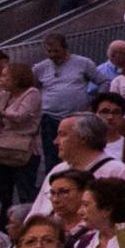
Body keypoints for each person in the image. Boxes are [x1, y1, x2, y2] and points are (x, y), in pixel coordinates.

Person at [33, 32, 101, 166]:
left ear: (65, 48)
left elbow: (103, 81)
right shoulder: (40, 67)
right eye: (49, 51)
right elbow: (32, 88)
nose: (53, 55)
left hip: (76, 117)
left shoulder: (83, 63)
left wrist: (95, 102)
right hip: (49, 118)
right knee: (52, 156)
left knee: (77, 152)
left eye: (56, 51)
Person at [0, 62, 44, 208]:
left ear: (18, 78)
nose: (1, 79)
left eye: (5, 76)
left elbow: (20, 116)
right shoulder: (4, 95)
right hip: (2, 147)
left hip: (25, 150)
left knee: (25, 191)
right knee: (0, 192)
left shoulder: (32, 93)